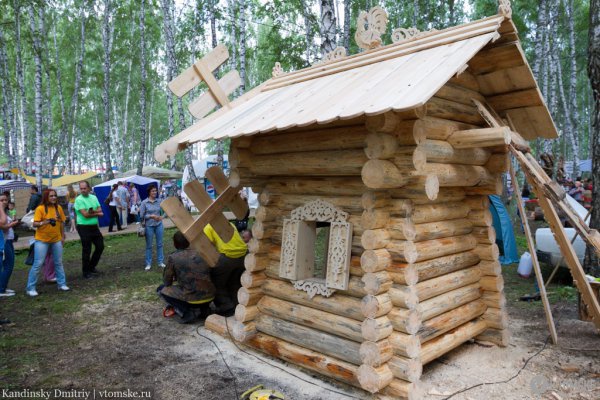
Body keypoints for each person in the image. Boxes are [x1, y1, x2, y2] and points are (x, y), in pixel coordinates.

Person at [158, 231, 216, 323]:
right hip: (211, 295)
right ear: (189, 241)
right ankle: (204, 309)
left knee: (161, 289)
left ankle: (186, 311)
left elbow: (167, 282)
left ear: (175, 243)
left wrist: (176, 276)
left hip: (191, 298)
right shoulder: (201, 252)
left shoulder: (173, 257)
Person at [25, 189, 69, 297]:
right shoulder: (40, 209)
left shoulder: (58, 208)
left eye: (55, 196)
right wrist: (46, 221)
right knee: (38, 264)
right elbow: (34, 224)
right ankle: (30, 288)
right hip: (42, 240)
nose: (54, 198)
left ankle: (61, 284)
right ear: (46, 197)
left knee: (58, 262)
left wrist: (62, 236)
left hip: (56, 240)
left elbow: (62, 222)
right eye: (51, 196)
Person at [203, 223, 247, 316]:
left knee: (216, 282)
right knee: (234, 281)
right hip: (243, 255)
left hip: (228, 255)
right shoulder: (229, 223)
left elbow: (206, 245)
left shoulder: (209, 227)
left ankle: (226, 307)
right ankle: (237, 304)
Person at [74, 181, 105, 279]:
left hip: (94, 227)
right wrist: (97, 214)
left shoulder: (94, 197)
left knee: (100, 246)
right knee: (87, 249)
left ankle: (91, 267)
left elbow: (100, 209)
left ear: (89, 188)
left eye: (84, 188)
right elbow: (86, 215)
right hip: (83, 227)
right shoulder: (78, 200)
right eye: (81, 188)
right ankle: (86, 272)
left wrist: (93, 211)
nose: (83, 190)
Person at [140, 185, 165, 271]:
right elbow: (141, 216)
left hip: (159, 225)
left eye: (155, 191)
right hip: (149, 226)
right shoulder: (144, 203)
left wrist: (162, 217)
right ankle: (148, 263)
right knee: (149, 245)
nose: (154, 192)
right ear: (149, 192)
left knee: (160, 244)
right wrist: (151, 216)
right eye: (153, 191)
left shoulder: (159, 201)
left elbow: (165, 211)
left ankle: (160, 262)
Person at [0, 192, 18, 297]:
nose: (4, 202)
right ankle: (1, 289)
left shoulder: (5, 211)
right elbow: (3, 226)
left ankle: (4, 286)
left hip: (9, 240)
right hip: (4, 241)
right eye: (1, 200)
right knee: (8, 266)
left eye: (5, 200)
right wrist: (13, 224)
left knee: (9, 265)